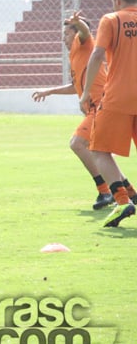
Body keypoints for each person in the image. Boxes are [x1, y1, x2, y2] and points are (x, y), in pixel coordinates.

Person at [32, 12, 137, 210]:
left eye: (66, 33)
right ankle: (129, 191)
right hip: (96, 107)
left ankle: (105, 191)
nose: (63, 38)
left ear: (76, 34)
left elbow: (86, 32)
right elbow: (75, 87)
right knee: (101, 152)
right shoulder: (75, 55)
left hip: (101, 106)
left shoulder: (85, 43)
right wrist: (50, 91)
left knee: (78, 143)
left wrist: (78, 23)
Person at [80, 0, 137, 228]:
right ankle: (131, 195)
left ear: (117, 0)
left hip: (118, 97)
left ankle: (122, 201)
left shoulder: (111, 19)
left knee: (98, 149)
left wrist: (85, 93)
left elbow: (97, 54)